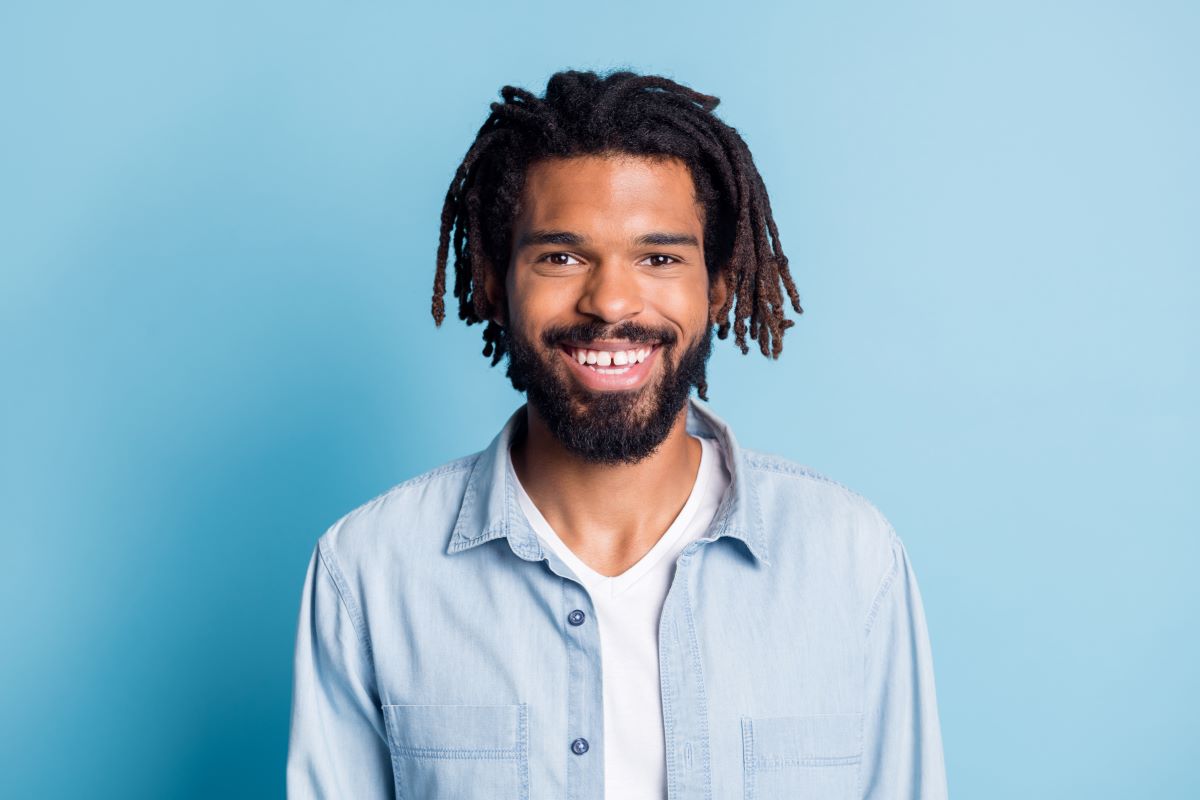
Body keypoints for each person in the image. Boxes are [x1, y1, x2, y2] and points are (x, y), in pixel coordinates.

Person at [287, 69, 948, 800]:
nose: (610, 301)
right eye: (561, 257)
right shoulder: (369, 573)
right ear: (492, 282)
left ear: (718, 287)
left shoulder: (850, 562)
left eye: (659, 258)